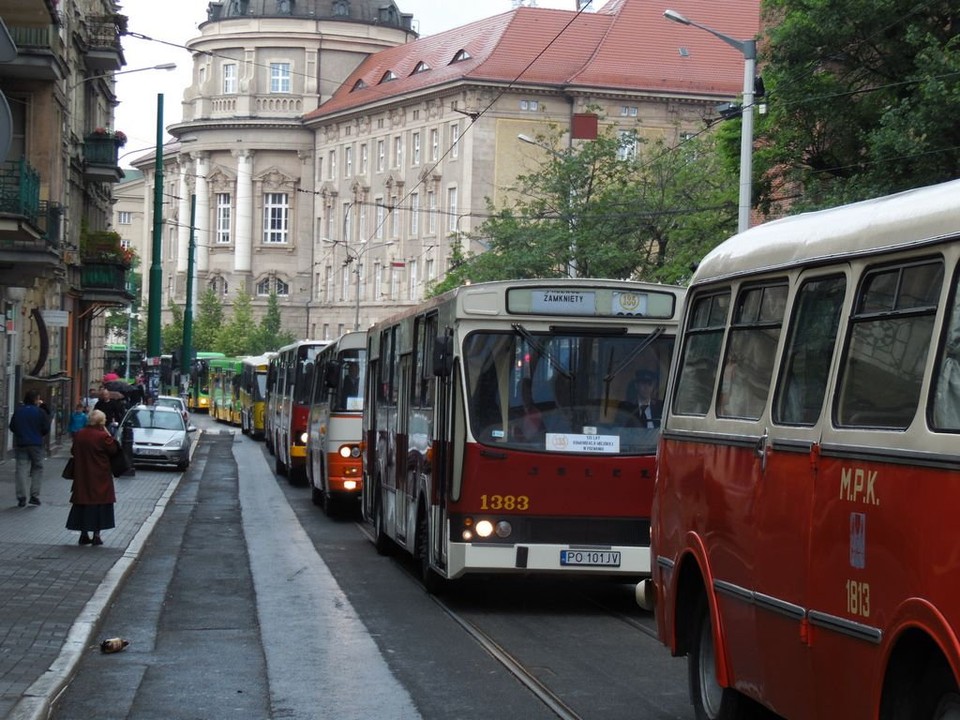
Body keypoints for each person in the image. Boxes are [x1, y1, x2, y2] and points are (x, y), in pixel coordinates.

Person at [66, 409, 120, 546]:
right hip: (99, 475)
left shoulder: (79, 434)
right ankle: (96, 534)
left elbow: (73, 451)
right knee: (99, 504)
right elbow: (113, 449)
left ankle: (84, 534)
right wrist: (108, 433)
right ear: (101, 422)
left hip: (82, 474)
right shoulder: (103, 436)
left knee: (83, 503)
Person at [9, 390, 51, 507]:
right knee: (37, 467)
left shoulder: (19, 411)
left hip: (21, 443)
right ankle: (34, 495)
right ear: (35, 400)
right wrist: (39, 434)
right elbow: (46, 427)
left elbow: (12, 426)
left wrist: (20, 434)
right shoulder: (40, 412)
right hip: (36, 443)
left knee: (21, 469)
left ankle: (21, 497)